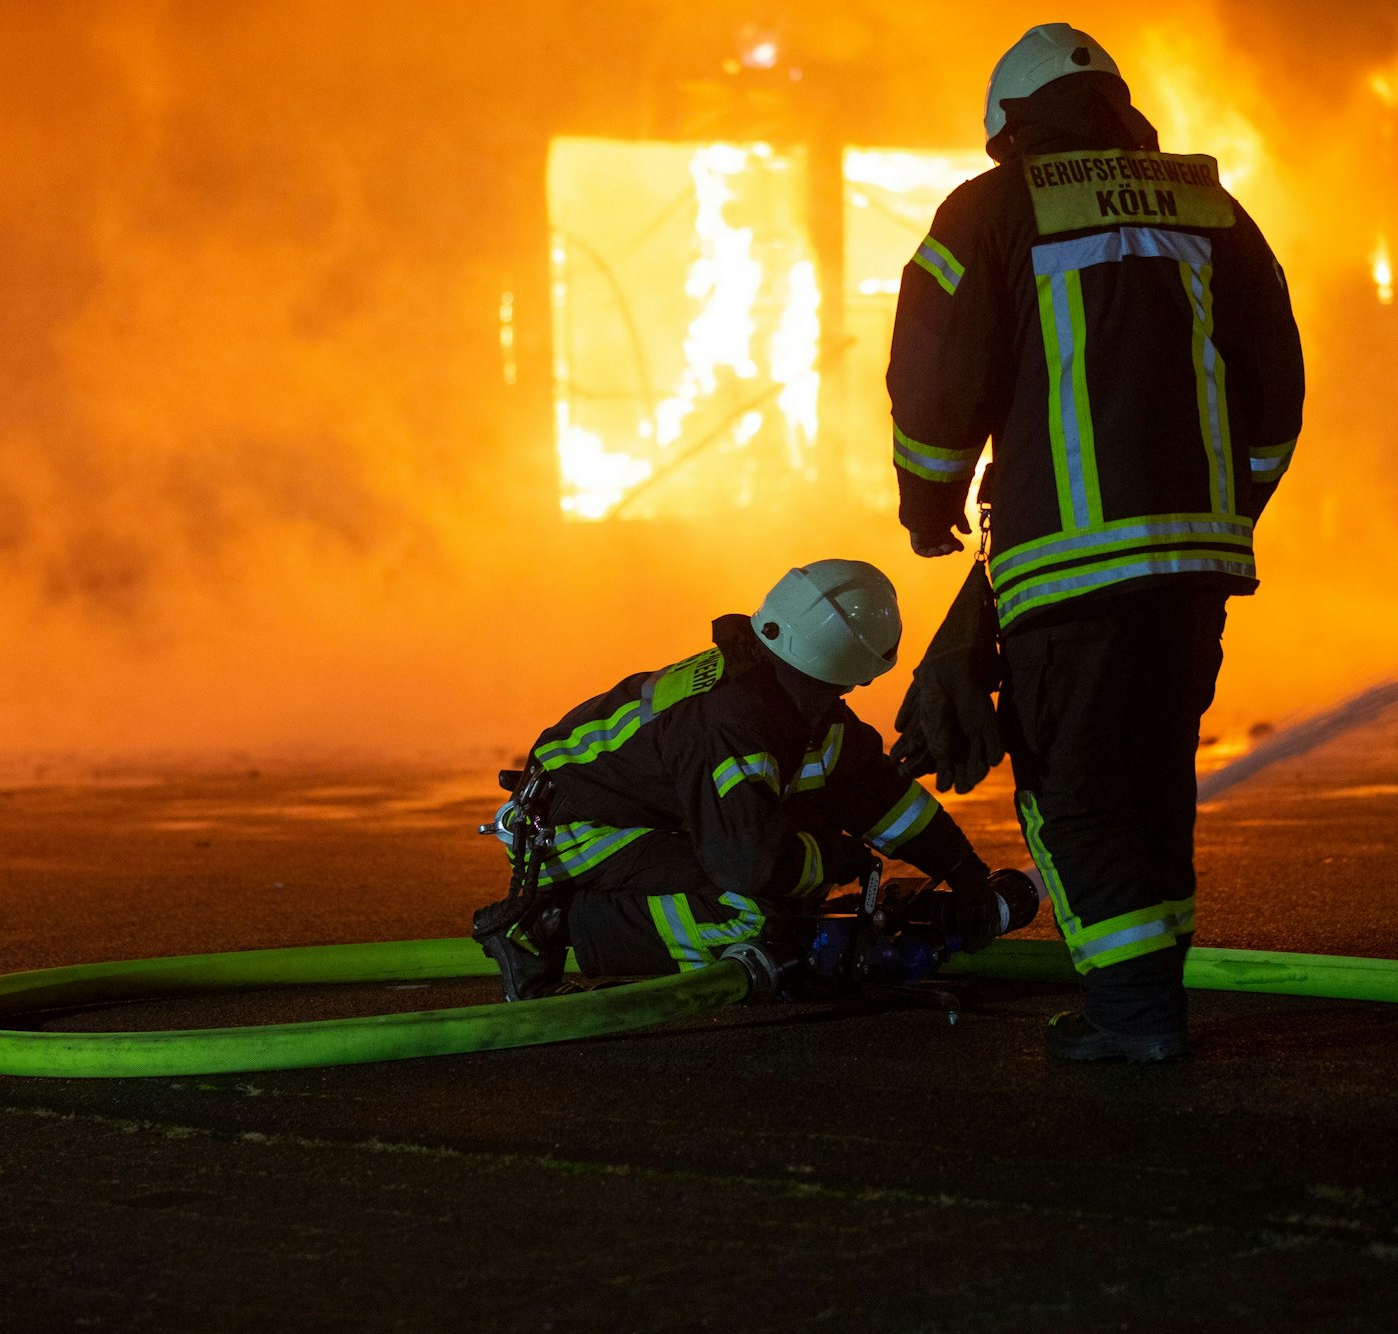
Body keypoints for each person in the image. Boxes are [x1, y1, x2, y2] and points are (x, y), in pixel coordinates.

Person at [886, 23, 1306, 1060]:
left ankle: (1133, 1016)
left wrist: (928, 501)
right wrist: (1231, 506)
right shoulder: (1213, 206)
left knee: (1076, 787)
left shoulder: (990, 211)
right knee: (1153, 774)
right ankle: (1146, 996)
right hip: (1194, 566)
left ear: (1009, 127)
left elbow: (938, 379)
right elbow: (1276, 382)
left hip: (1070, 567)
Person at [473, 560, 1018, 1002]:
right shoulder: (735, 718)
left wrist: (963, 871)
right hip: (577, 830)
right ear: (858, 671)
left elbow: (878, 795)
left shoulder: (797, 705)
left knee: (790, 882)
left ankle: (573, 914)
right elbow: (749, 863)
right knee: (758, 909)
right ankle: (555, 920)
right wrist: (830, 856)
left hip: (630, 817)